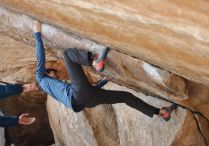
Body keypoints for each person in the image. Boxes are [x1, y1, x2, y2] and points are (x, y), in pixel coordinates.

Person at [34, 20, 177, 121]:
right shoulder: (40, 77)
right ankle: (94, 62)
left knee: (126, 97)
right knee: (67, 55)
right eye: (53, 72)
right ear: (47, 73)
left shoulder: (53, 90)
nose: (56, 75)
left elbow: (88, 92)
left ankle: (161, 113)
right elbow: (40, 57)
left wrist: (103, 82)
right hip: (80, 96)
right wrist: (37, 33)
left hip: (88, 101)